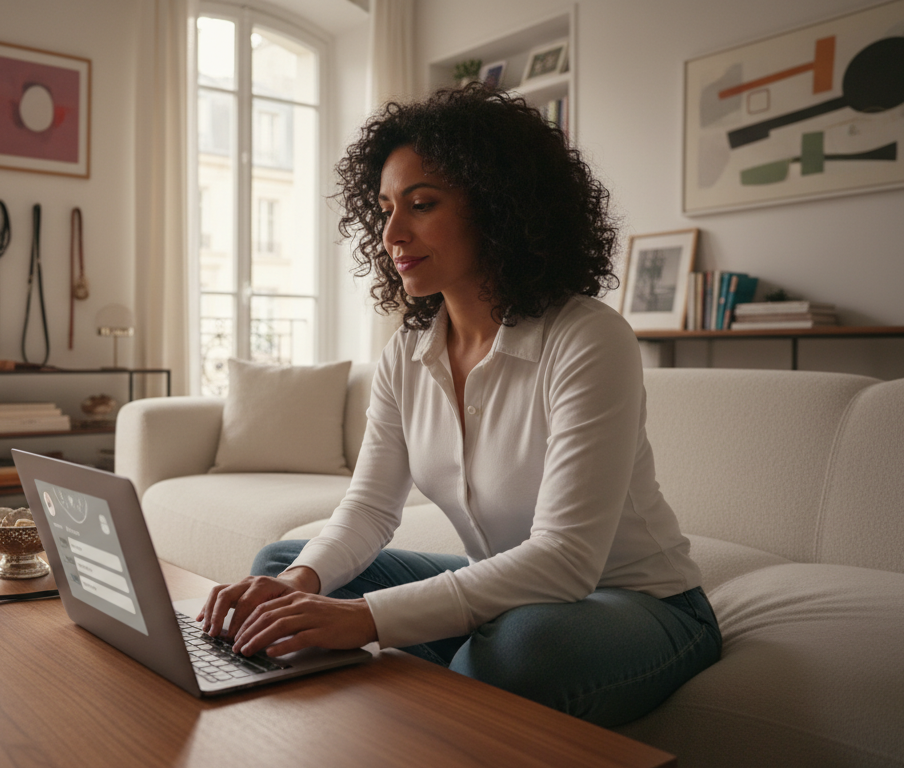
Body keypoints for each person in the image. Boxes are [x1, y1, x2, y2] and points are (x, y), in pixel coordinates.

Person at [196, 84, 721, 727]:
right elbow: (366, 510)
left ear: (498, 208)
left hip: (640, 604)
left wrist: (364, 618)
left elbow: (564, 560)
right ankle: (433, 677)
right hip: (512, 593)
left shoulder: (587, 338)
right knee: (283, 569)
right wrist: (304, 587)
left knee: (522, 648)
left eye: (421, 204)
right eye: (385, 208)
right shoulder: (408, 353)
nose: (392, 233)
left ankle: (447, 679)